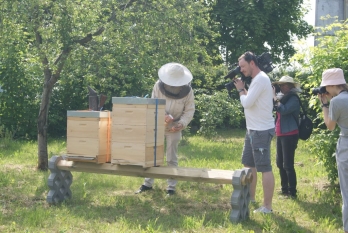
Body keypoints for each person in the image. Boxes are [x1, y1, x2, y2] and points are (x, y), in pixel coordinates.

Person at [135, 62, 195, 196]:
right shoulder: (158, 86)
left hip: (175, 127)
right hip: (157, 124)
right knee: (152, 154)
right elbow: (153, 104)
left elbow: (189, 110)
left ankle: (171, 188)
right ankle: (147, 184)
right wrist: (163, 115)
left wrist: (181, 124)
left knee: (172, 158)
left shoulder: (188, 91)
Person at [233, 51, 275, 214]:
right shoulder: (256, 80)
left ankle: (267, 207)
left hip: (261, 131)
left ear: (252, 63)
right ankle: (251, 198)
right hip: (252, 129)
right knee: (249, 165)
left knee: (264, 167)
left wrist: (240, 90)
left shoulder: (260, 79)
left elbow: (247, 103)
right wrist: (243, 89)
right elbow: (250, 101)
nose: (241, 69)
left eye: (242, 66)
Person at [317, 68, 348, 233]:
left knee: (347, 194)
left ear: (331, 84)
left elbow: (330, 126)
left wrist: (324, 104)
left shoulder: (336, 102)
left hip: (346, 147)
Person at [272, 76, 301, 198]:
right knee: (280, 163)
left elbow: (284, 110)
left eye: (285, 85)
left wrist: (275, 98)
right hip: (281, 133)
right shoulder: (281, 97)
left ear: (290, 86)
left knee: (288, 164)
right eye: (281, 85)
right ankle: (284, 190)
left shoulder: (294, 98)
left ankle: (292, 192)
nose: (282, 87)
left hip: (290, 134)